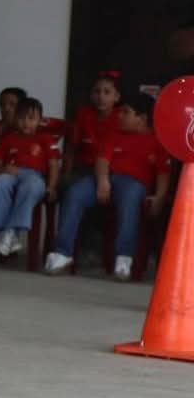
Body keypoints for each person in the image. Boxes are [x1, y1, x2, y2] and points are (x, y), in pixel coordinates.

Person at [46, 91, 168, 279]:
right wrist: (103, 180)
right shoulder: (114, 134)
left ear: (142, 118)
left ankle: (124, 257)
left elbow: (163, 173)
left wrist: (159, 196)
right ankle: (63, 253)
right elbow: (102, 160)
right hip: (105, 178)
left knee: (129, 198)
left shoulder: (157, 141)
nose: (119, 116)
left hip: (134, 183)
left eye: (126, 112)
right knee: (75, 193)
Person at [0, 98, 58, 257]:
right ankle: (1, 230)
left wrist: (51, 187)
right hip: (10, 173)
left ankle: (11, 231)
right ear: (15, 119)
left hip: (34, 175)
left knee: (31, 186)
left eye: (31, 118)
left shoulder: (46, 139)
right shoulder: (8, 139)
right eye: (21, 118)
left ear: (40, 120)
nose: (25, 123)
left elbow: (53, 164)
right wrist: (3, 169)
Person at [67, 71, 122, 181]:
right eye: (97, 92)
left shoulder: (122, 116)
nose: (101, 96)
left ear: (116, 97)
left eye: (107, 92)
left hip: (113, 169)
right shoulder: (83, 114)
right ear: (91, 96)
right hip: (85, 168)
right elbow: (71, 147)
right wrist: (66, 172)